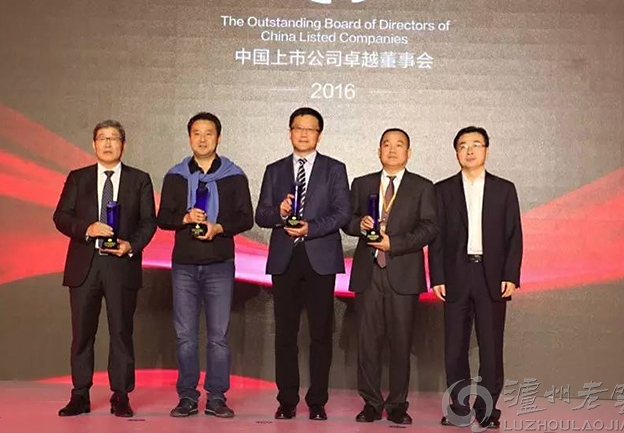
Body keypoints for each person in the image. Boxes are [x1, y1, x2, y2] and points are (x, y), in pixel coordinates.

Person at [53, 119, 157, 417]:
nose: (108, 143)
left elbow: (149, 222)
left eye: (114, 138)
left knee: (121, 332)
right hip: (85, 265)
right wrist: (87, 228)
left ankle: (121, 395)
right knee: (82, 334)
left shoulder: (139, 179)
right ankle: (80, 394)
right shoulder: (78, 178)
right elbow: (61, 216)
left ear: (123, 144)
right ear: (94, 144)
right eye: (102, 138)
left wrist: (130, 246)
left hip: (121, 264)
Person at [255, 107, 351, 421]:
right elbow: (261, 215)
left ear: (319, 135)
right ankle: (286, 400)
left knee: (321, 334)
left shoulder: (334, 169)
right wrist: (280, 212)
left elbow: (342, 213)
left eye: (310, 129)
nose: (304, 134)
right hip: (286, 259)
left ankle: (317, 401)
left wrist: (311, 227)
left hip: (319, 259)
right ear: (290, 132)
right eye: (298, 128)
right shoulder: (274, 170)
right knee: (285, 334)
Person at [157, 112, 253, 418]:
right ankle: (187, 396)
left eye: (208, 133)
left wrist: (219, 228)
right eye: (196, 133)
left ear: (218, 138)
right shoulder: (175, 176)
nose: (202, 139)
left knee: (218, 337)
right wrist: (185, 218)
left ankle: (216, 397)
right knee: (185, 336)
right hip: (184, 265)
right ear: (189, 138)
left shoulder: (234, 175)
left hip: (219, 264)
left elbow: (246, 218)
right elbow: (163, 218)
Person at [428, 126, 523, 429]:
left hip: (491, 276)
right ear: (456, 152)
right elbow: (436, 238)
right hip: (456, 275)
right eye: (463, 146)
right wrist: (437, 276)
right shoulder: (442, 190)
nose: (469, 151)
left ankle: (487, 411)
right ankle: (457, 409)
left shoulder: (504, 189)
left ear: (486, 150)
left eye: (476, 145)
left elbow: (514, 236)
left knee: (491, 348)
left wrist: (510, 275)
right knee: (454, 348)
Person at [344, 128, 438, 425]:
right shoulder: (362, 183)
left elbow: (429, 228)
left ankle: (397, 404)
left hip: (403, 272)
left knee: (401, 342)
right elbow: (347, 221)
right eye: (387, 144)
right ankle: (371, 403)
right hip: (368, 272)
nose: (392, 149)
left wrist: (393, 244)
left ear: (409, 152)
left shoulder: (422, 187)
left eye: (399, 145)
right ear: (378, 150)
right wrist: (360, 224)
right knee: (367, 343)